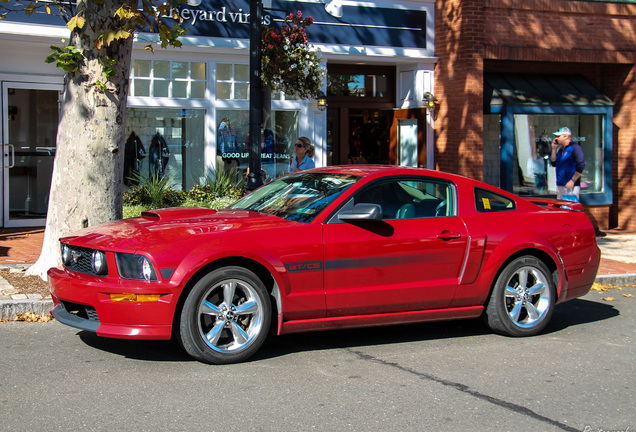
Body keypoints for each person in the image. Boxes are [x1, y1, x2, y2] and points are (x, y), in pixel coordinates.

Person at [550, 126, 585, 200]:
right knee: (561, 209)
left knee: (570, 209)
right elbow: (554, 163)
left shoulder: (575, 148)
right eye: (556, 136)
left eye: (558, 136)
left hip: (571, 185)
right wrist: (554, 149)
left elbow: (581, 165)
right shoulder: (560, 150)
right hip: (561, 185)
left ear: (566, 136)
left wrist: (572, 181)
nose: (556, 138)